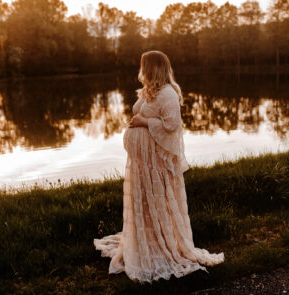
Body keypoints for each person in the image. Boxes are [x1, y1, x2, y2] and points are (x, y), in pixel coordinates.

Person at [93, 50, 225, 283]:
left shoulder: (168, 94)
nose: (140, 70)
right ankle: (146, 242)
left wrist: (144, 122)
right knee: (143, 203)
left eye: (144, 66)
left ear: (153, 68)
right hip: (142, 164)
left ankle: (161, 246)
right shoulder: (148, 91)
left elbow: (172, 124)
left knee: (155, 202)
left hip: (155, 164)